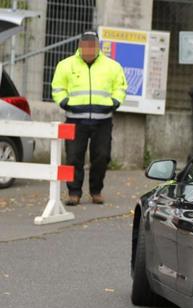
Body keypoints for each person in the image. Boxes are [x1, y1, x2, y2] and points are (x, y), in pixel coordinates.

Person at [51, 31, 127, 205]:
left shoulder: (112, 66)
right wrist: (65, 102)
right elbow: (57, 87)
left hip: (103, 120)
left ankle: (96, 190)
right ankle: (74, 193)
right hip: (75, 120)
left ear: (98, 47)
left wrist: (114, 102)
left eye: (92, 45)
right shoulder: (65, 65)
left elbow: (120, 87)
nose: (88, 49)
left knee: (102, 156)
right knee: (73, 158)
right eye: (85, 45)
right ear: (79, 46)